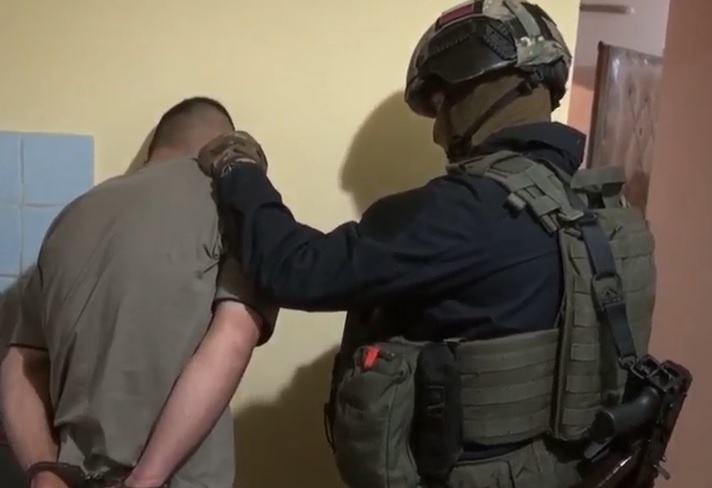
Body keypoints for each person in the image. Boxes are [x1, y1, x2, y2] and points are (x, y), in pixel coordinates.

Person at [196, 1, 656, 487]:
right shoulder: (601, 209)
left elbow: (295, 269)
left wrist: (238, 168)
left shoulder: (466, 210)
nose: (438, 133)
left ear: (489, 81)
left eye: (442, 103)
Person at [0, 97, 278, 488]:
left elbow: (21, 363)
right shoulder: (236, 203)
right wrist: (146, 477)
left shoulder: (74, 213)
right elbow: (233, 336)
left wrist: (43, 472)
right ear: (222, 150)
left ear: (154, 150)